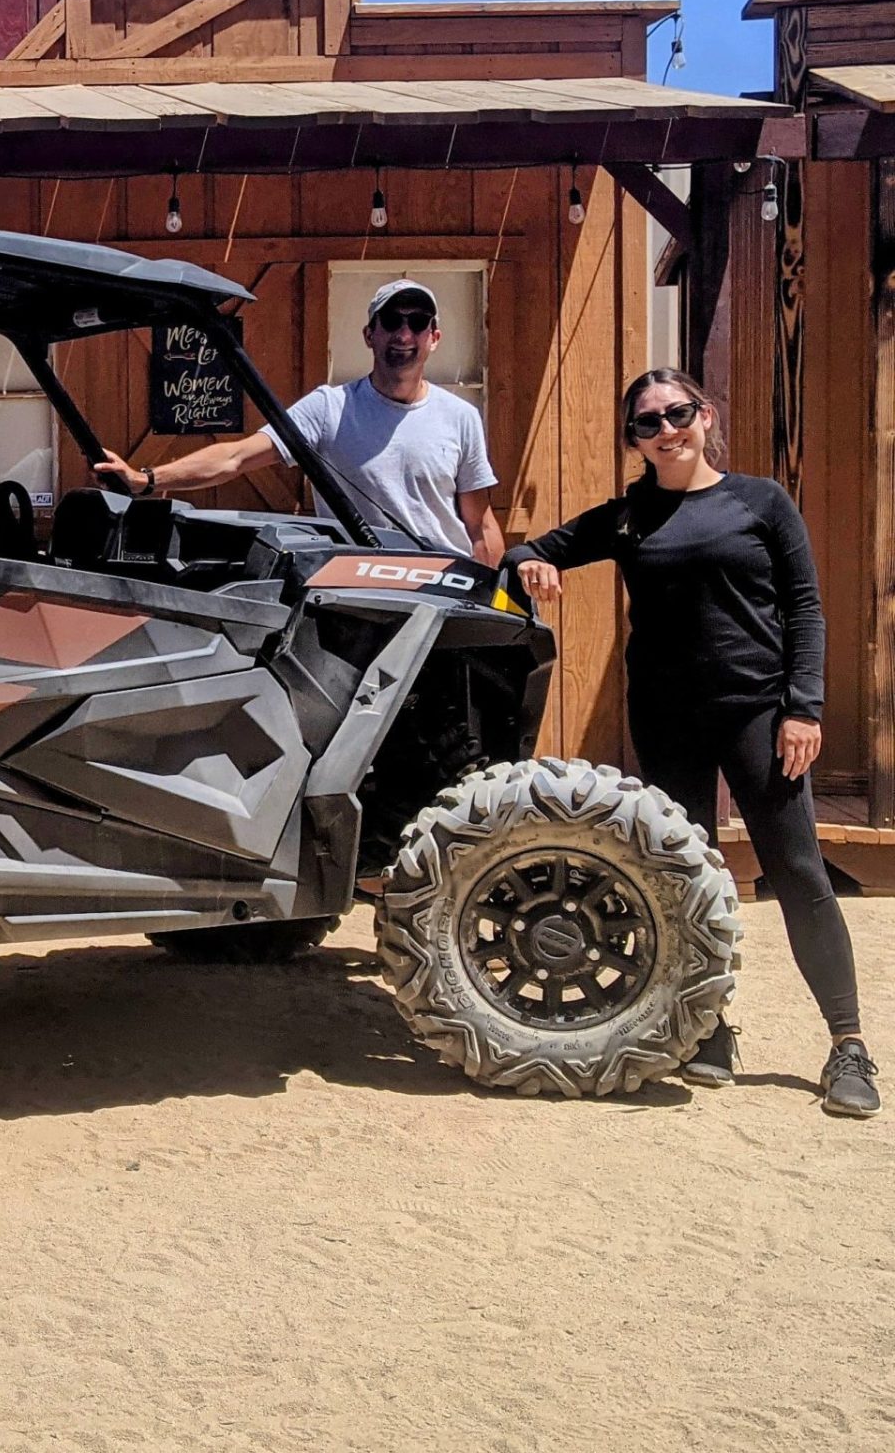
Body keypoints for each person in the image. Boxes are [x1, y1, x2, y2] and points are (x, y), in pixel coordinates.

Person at [510, 370, 877, 1118]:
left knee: (798, 869)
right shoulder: (630, 516)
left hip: (759, 715)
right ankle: (706, 1025)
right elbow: (527, 552)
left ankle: (848, 1044)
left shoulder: (760, 502)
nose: (666, 430)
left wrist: (803, 708)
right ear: (635, 442)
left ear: (705, 416)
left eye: (678, 414)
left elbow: (806, 608)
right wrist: (531, 564)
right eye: (648, 424)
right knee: (687, 877)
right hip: (668, 717)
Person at [93, 278, 503, 564]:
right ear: (369, 334)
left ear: (434, 337)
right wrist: (146, 479)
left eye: (417, 323)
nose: (404, 334)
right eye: (392, 321)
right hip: (360, 591)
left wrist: (497, 600)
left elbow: (480, 525)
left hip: (441, 590)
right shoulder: (329, 408)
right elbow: (236, 457)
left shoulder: (460, 417)